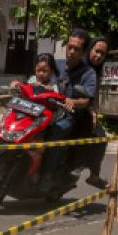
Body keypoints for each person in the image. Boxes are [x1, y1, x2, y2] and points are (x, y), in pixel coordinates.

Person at [44, 28, 97, 174]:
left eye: (77, 49)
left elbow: (86, 100)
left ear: (84, 52)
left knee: (55, 133)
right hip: (46, 110)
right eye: (70, 47)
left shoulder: (88, 73)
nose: (72, 51)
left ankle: (47, 175)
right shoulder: (56, 64)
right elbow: (38, 75)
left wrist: (73, 102)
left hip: (69, 116)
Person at [80, 36, 110, 187]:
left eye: (102, 54)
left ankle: (94, 175)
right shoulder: (79, 66)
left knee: (100, 137)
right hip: (67, 106)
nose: (98, 56)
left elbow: (94, 97)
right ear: (89, 49)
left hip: (84, 111)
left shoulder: (96, 72)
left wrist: (94, 113)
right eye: (96, 51)